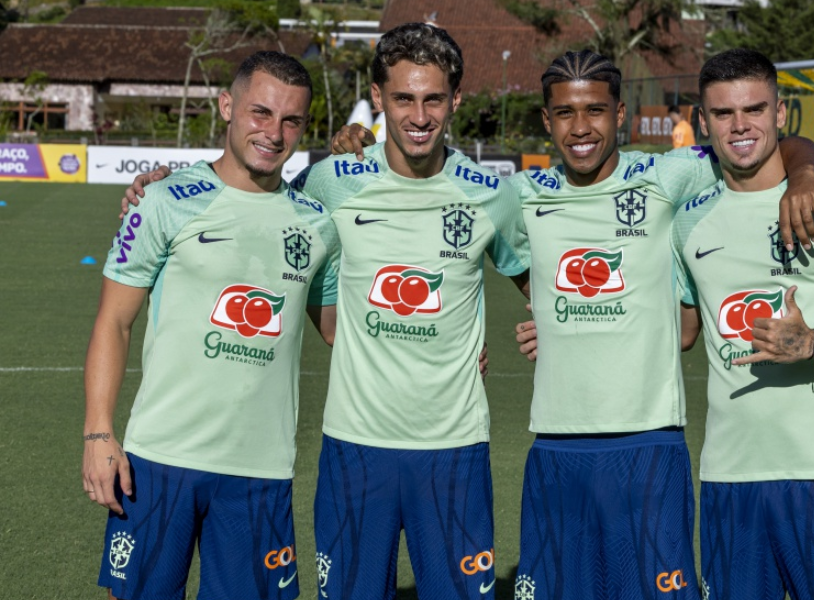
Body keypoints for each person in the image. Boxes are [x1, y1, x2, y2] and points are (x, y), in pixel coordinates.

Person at [333, 50, 814, 598]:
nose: (581, 127)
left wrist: (804, 174)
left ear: (619, 115)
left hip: (649, 446)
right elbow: (435, 211)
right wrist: (362, 147)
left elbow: (771, 146)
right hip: (555, 450)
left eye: (595, 110)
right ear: (547, 122)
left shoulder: (666, 174)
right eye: (565, 113)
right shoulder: (516, 194)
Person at [123, 23, 530, 600]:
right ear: (379, 98)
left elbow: (542, 281)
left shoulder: (491, 193)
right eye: (403, 98)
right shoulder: (330, 183)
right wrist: (155, 188)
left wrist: (548, 329)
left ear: (455, 100)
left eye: (433, 98)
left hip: (455, 445)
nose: (419, 115)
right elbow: (254, 202)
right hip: (352, 445)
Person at [83, 51, 335, 600]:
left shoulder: (318, 226)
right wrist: (99, 431)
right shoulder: (161, 200)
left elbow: (342, 332)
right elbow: (114, 321)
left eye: (291, 120)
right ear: (227, 106)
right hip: (159, 460)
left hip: (261, 469)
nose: (274, 132)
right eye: (260, 112)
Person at [671, 48, 814, 600]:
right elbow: (680, 331)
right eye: (724, 114)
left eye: (755, 109)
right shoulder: (686, 220)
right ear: (703, 122)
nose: (741, 126)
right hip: (728, 479)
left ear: (780, 114)